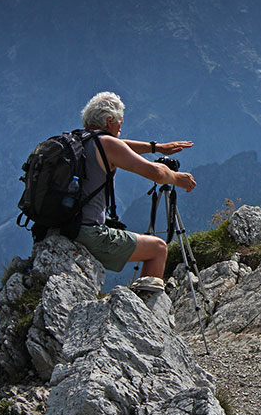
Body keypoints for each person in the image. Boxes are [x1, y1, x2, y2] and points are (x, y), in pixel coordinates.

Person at [75, 91, 196, 292]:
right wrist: (176, 178)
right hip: (87, 232)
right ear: (109, 120)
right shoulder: (106, 144)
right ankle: (144, 315)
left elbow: (121, 146)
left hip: (60, 227)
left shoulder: (79, 140)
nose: (121, 126)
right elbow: (155, 172)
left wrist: (156, 147)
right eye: (120, 121)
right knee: (158, 248)